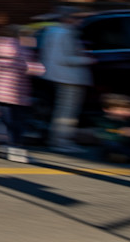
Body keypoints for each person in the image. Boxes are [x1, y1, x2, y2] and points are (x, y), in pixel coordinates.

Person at [0, 26, 44, 162]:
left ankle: (2, 147)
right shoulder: (21, 49)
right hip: (16, 93)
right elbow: (33, 69)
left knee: (1, 121)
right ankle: (15, 149)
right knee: (16, 122)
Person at [40, 11, 94, 153]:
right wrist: (87, 59)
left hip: (59, 76)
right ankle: (62, 141)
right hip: (69, 77)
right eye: (78, 18)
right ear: (68, 19)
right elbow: (64, 58)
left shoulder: (52, 32)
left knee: (62, 110)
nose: (80, 22)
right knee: (67, 112)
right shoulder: (65, 33)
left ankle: (58, 140)